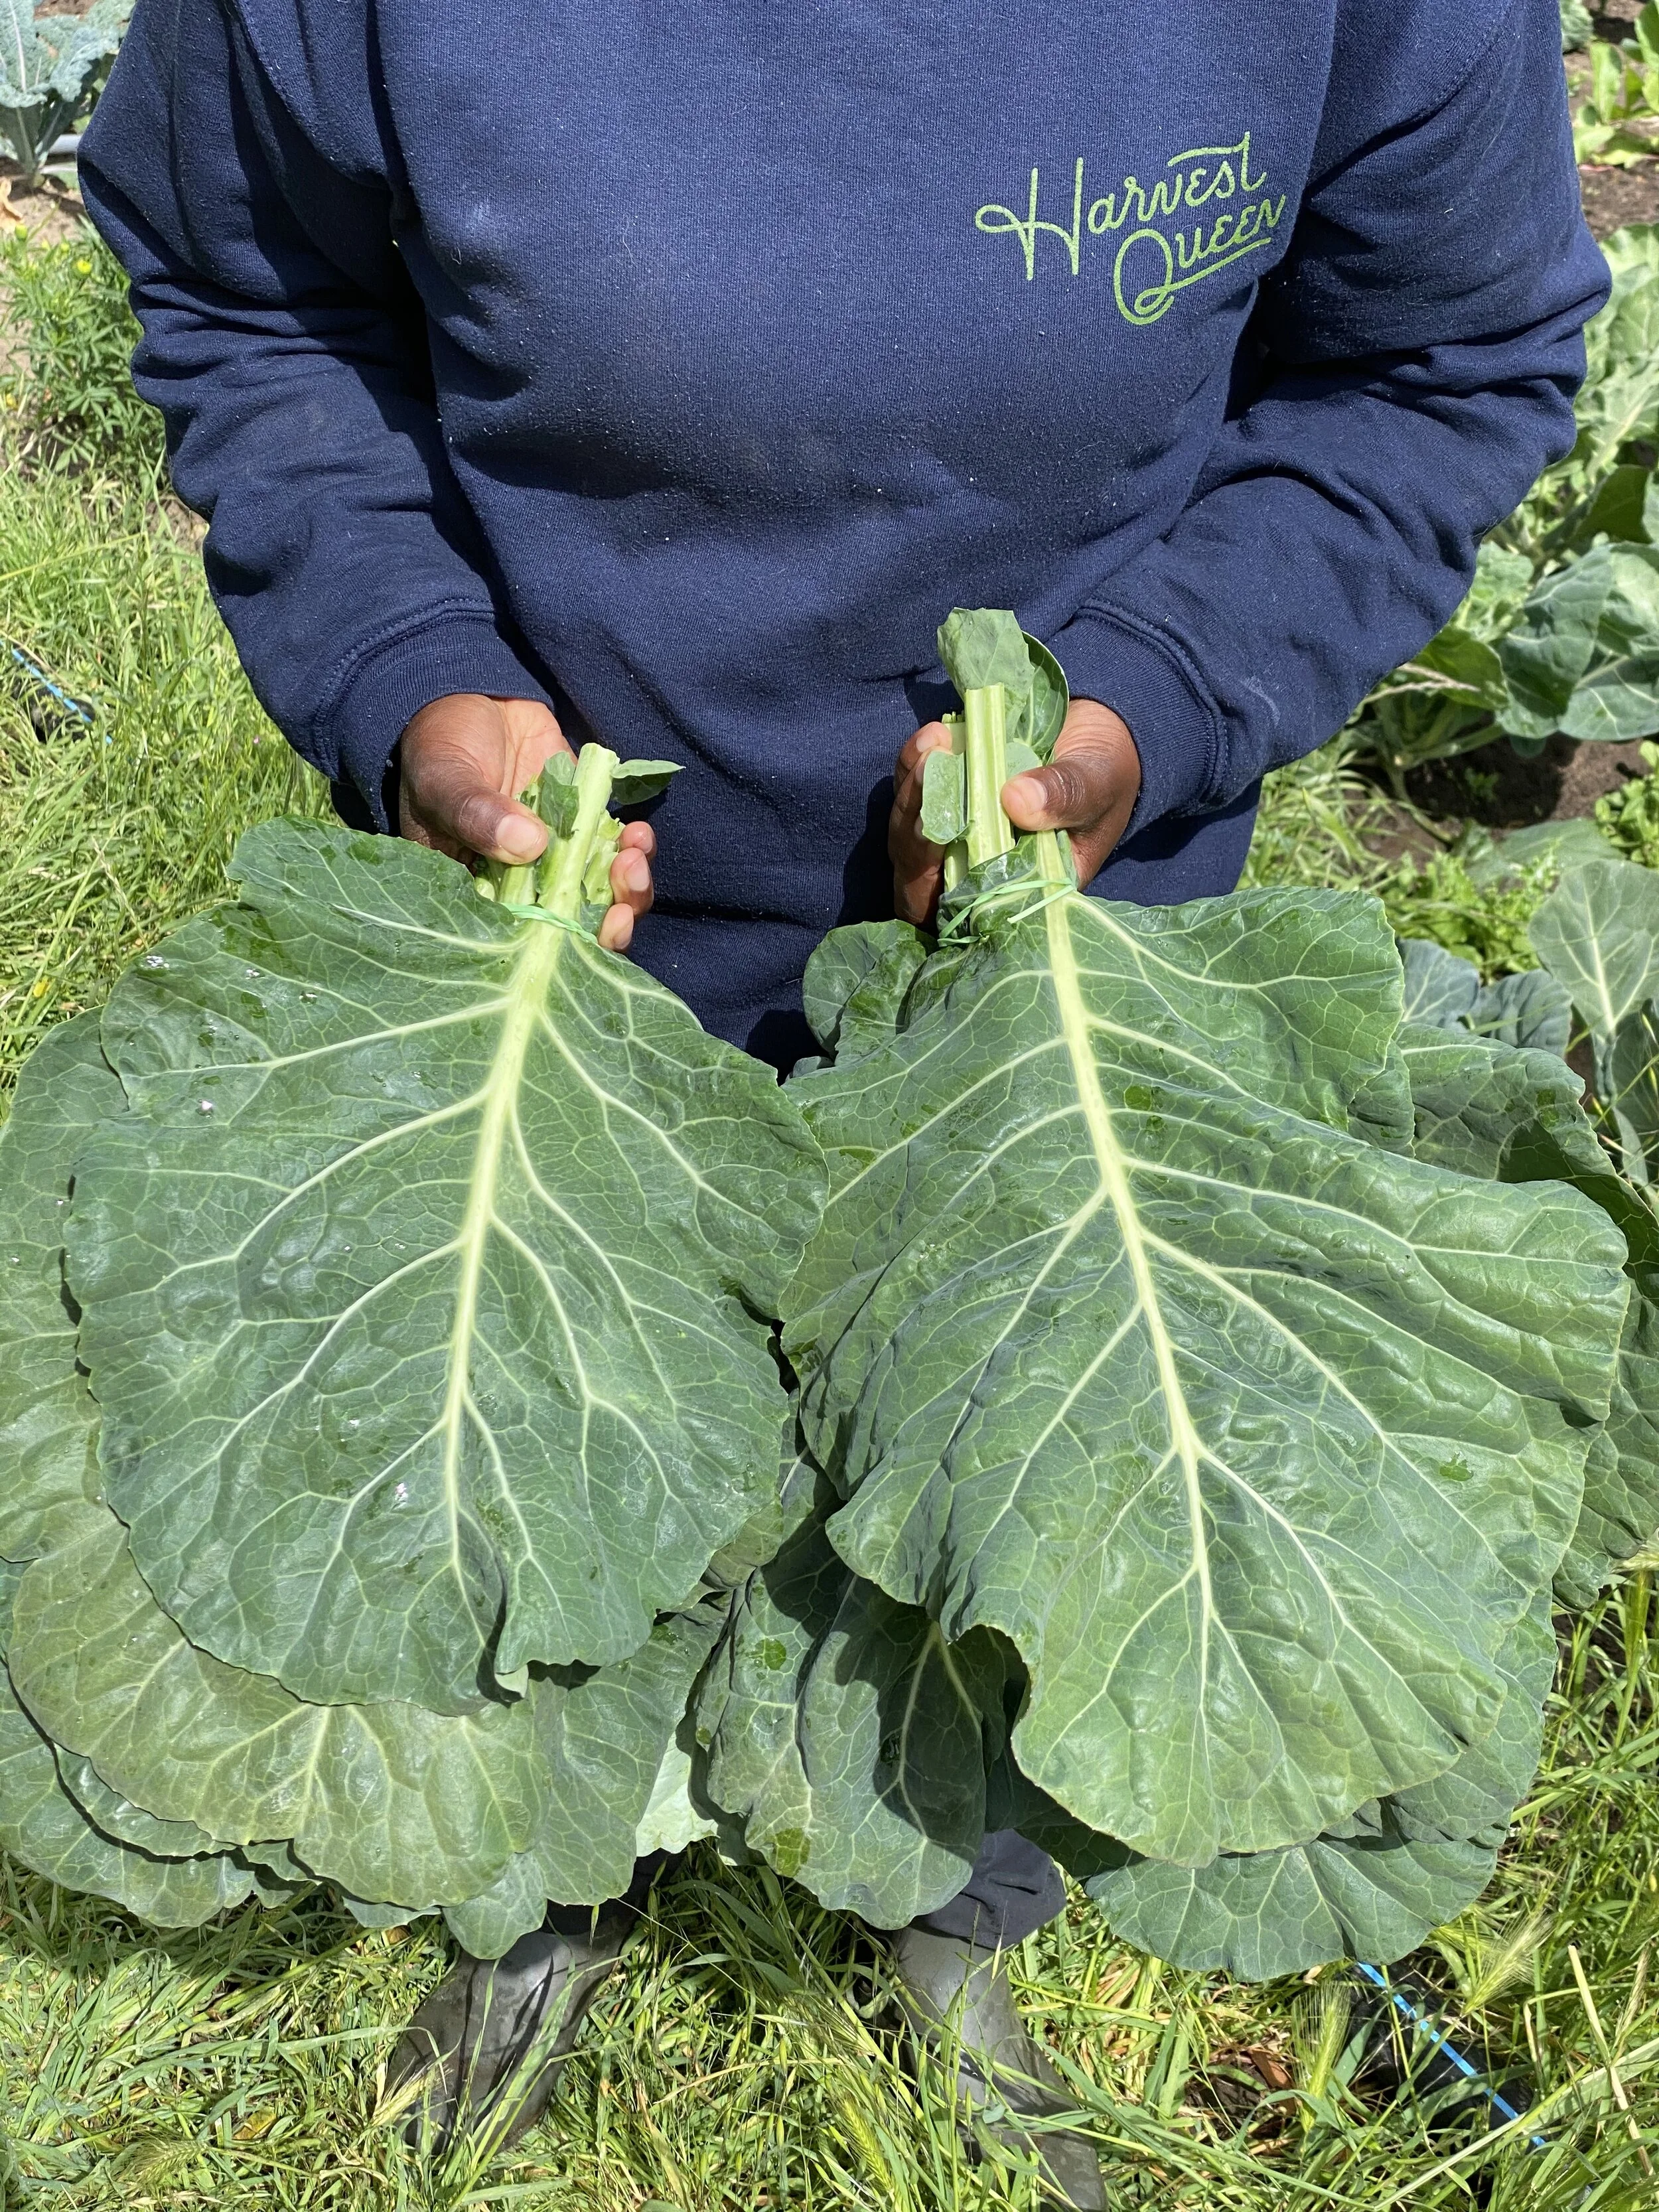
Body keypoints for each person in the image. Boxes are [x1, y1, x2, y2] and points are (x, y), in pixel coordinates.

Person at [76, 0, 1603, 2199]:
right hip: (573, 916)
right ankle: (552, 1864)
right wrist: (407, 670)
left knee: (1026, 1456)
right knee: (536, 1438)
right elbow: (248, 292)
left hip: (1063, 931)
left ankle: (940, 1898)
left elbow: (1440, 365)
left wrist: (1138, 712)